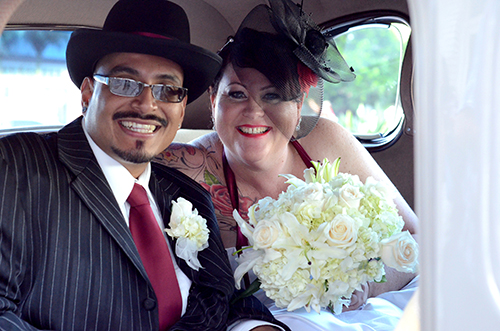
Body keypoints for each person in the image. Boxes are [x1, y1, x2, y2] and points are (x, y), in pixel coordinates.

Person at [0, 0, 290, 330]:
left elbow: (223, 298)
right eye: (125, 83)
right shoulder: (15, 168)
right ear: (87, 93)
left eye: (167, 90)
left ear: (180, 110)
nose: (146, 105)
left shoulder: (189, 196)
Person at [155, 0, 419, 330]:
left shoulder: (326, 141)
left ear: (298, 107)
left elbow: (415, 235)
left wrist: (364, 287)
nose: (253, 111)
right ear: (213, 99)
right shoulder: (184, 167)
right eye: (237, 94)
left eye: (273, 95)